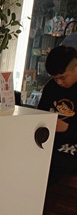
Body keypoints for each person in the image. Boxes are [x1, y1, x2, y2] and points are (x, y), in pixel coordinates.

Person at [38, 44, 77, 185]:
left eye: (63, 77)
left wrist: (67, 128)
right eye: (55, 78)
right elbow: (41, 113)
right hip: (51, 145)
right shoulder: (51, 87)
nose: (59, 82)